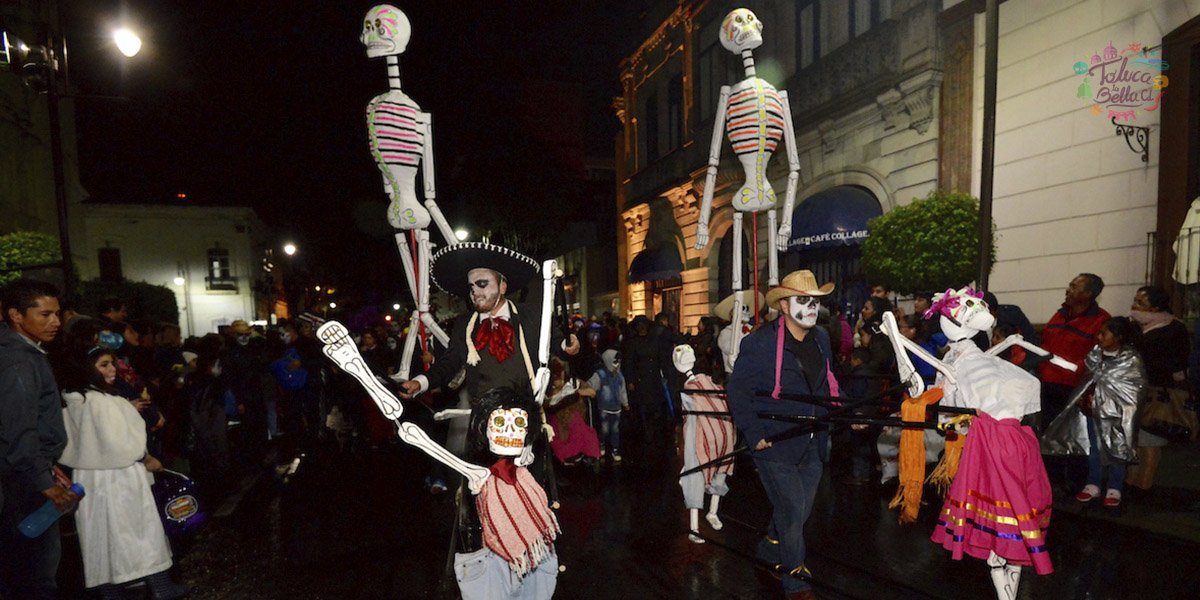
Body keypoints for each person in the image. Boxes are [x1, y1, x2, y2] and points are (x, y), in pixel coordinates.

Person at [726, 270, 837, 600]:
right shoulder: (758, 343)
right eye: (804, 301)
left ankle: (769, 547)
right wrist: (754, 432)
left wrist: (845, 411)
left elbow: (828, 382)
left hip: (814, 440)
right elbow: (738, 391)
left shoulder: (822, 339)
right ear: (785, 306)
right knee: (791, 511)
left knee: (799, 511)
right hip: (774, 443)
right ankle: (795, 580)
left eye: (815, 301)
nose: (812, 308)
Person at [58, 346, 190, 599]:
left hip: (88, 479)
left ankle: (110, 592)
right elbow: (120, 444)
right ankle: (161, 586)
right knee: (141, 530)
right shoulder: (107, 403)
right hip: (121, 476)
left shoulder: (73, 402)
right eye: (104, 365)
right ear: (87, 369)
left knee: (99, 534)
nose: (112, 370)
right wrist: (146, 457)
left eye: (112, 364)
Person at [397, 242, 578, 401]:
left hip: (527, 413)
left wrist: (567, 346)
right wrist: (419, 383)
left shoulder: (533, 315)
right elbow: (449, 363)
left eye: (482, 284)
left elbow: (556, 345)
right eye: (471, 287)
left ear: (502, 286)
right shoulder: (464, 325)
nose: (475, 291)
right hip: (483, 415)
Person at [0, 279, 74, 600]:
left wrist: (48, 466)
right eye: (45, 314)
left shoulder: (25, 352)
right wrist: (43, 480)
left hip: (25, 474)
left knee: (26, 571)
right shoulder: (19, 359)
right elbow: (19, 429)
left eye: (57, 314)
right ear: (16, 315)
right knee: (36, 575)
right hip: (23, 483)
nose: (55, 322)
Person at [1044, 317, 1145, 509]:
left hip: (1118, 414)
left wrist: (1111, 401)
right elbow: (1087, 379)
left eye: (1103, 334)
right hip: (1092, 411)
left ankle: (1115, 487)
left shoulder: (1130, 360)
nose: (1099, 337)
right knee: (1093, 448)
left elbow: (1135, 388)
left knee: (1117, 447)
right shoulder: (1095, 355)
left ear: (1118, 337)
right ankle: (1093, 483)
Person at [1127, 285, 1190, 493]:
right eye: (1135, 300)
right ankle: (1132, 481)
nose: (1135, 305)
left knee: (1150, 439)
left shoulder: (1173, 327)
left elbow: (1177, 361)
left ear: (1155, 307)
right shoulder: (1134, 325)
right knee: (1135, 439)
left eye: (1141, 303)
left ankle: (1144, 485)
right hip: (1134, 388)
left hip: (1157, 391)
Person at [1040, 273, 1111, 425]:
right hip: (1047, 384)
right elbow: (1045, 341)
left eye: (1074, 287)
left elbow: (1100, 357)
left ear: (1088, 294)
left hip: (1073, 389)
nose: (1068, 290)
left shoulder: (1101, 321)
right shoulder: (1059, 315)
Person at [587, 349, 628, 461]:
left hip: (617, 408)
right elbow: (590, 386)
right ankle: (601, 444)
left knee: (615, 430)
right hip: (604, 408)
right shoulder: (600, 375)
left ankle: (615, 449)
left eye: (618, 361)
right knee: (604, 429)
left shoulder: (620, 376)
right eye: (615, 361)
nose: (617, 364)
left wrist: (625, 403)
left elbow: (623, 390)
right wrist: (588, 390)